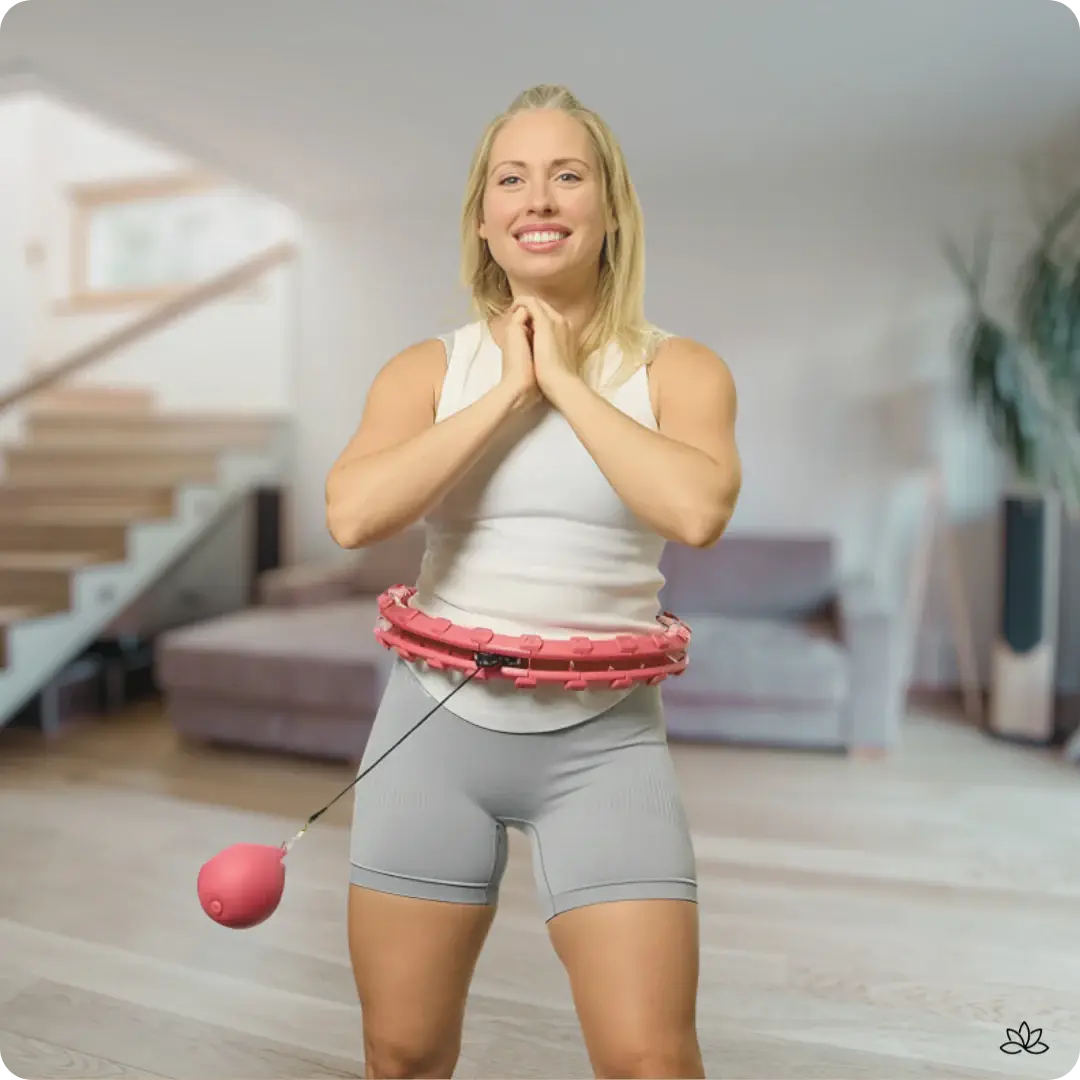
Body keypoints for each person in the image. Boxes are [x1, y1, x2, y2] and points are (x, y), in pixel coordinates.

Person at [325, 84, 741, 1080]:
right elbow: (352, 515)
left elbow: (696, 512)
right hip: (434, 731)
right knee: (402, 1052)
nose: (539, 199)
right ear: (484, 218)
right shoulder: (426, 370)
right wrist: (508, 389)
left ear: (610, 208)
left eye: (567, 175)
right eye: (511, 179)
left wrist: (564, 381)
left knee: (650, 1059)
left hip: (606, 745)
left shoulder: (680, 370)